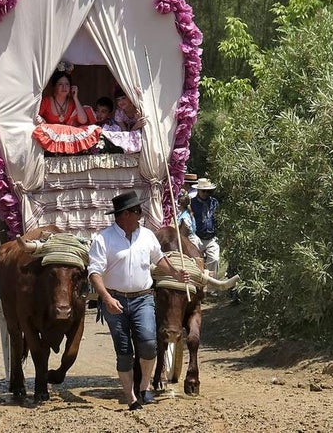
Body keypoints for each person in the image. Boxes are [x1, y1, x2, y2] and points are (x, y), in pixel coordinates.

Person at [88, 190, 188, 410]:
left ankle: (143, 388)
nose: (141, 214)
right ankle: (131, 397)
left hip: (143, 298)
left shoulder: (147, 235)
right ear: (125, 214)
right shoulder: (103, 239)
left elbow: (158, 258)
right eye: (137, 211)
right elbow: (94, 272)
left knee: (149, 345)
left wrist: (175, 273)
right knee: (124, 352)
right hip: (114, 300)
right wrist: (106, 298)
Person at [33, 69, 102, 154]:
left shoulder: (72, 102)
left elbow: (83, 120)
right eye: (60, 84)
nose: (64, 87)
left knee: (92, 129)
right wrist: (42, 120)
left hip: (68, 138)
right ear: (54, 86)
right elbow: (36, 116)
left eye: (67, 84)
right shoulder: (46, 101)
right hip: (51, 138)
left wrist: (75, 98)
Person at [190, 178, 221, 276]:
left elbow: (218, 218)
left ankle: (211, 283)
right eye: (203, 191)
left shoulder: (214, 202)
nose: (206, 193)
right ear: (198, 190)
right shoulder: (192, 203)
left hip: (211, 238)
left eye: (208, 191)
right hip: (196, 237)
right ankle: (197, 280)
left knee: (214, 259)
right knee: (195, 261)